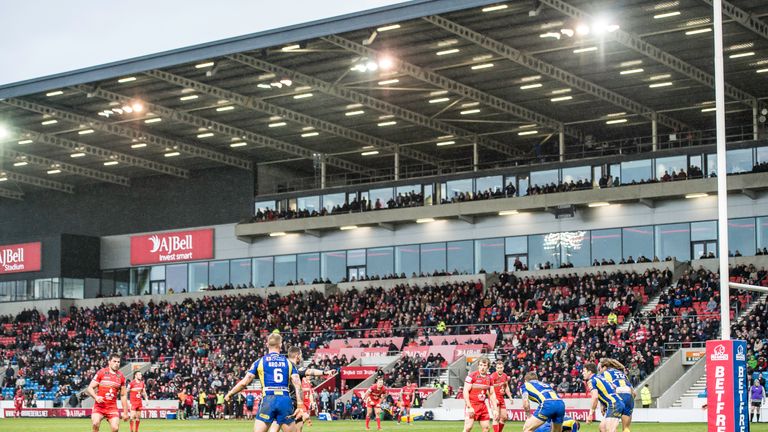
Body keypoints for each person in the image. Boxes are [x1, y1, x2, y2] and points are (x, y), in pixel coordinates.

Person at [224, 333, 304, 432]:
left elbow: (244, 383)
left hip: (268, 400)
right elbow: (298, 385)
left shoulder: (260, 362)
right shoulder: (289, 363)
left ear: (267, 345)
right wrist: (300, 406)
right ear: (280, 345)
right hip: (285, 400)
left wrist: (230, 393)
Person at [268, 346, 334, 432]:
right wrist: (325, 372)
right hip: (290, 404)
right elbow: (309, 371)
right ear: (297, 356)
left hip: (277, 400)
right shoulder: (294, 367)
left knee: (278, 425)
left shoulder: (282, 366)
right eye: (301, 355)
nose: (302, 358)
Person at [86, 353, 129, 432]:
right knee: (95, 423)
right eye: (114, 361)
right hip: (99, 407)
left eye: (118, 362)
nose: (116, 364)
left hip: (112, 408)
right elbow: (90, 388)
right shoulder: (101, 372)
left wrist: (125, 412)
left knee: (115, 428)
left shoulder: (121, 377)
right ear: (109, 362)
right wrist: (96, 397)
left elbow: (123, 395)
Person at [583, 363, 624, 432]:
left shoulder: (591, 381)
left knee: (610, 429)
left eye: (584, 371)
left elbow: (595, 397)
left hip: (614, 404)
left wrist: (590, 414)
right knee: (603, 428)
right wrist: (603, 404)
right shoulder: (601, 377)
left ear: (589, 372)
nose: (583, 373)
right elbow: (614, 387)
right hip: (615, 403)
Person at [463, 357, 499, 432]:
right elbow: (465, 391)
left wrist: (495, 409)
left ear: (488, 367)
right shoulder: (471, 376)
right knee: (468, 427)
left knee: (486, 428)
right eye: (481, 365)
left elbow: (492, 394)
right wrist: (469, 407)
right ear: (478, 366)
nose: (482, 367)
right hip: (472, 404)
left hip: (482, 406)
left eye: (485, 365)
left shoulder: (490, 378)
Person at [600, 358, 635, 432]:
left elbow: (604, 390)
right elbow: (634, 393)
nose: (600, 370)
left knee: (607, 427)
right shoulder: (622, 374)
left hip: (617, 396)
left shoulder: (605, 374)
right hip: (629, 396)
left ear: (605, 367)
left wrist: (602, 405)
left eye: (600, 368)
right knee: (626, 428)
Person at [490, 359, 513, 432]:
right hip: (495, 398)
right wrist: (493, 398)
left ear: (503, 368)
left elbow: (506, 387)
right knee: (496, 417)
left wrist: (510, 397)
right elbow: (489, 388)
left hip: (501, 398)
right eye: (498, 368)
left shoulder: (505, 375)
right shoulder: (493, 376)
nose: (500, 369)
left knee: (504, 417)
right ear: (496, 368)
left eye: (501, 367)